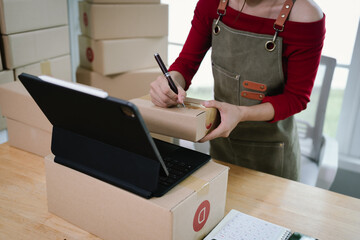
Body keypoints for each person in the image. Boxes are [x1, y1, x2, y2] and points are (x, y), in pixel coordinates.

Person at [150, 0, 325, 181]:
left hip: (272, 152)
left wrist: (241, 113)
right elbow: (186, 63)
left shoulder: (305, 16)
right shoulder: (212, 3)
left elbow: (296, 98)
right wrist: (171, 81)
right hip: (222, 140)